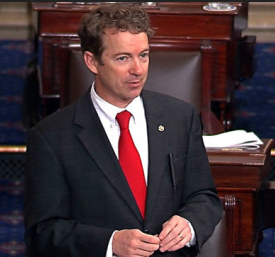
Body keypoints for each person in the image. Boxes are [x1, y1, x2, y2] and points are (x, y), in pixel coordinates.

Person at [24, 3, 223, 257]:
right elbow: (43, 232)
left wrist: (189, 224)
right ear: (92, 62)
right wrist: (110, 243)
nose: (138, 70)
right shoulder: (51, 137)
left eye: (144, 55)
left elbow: (204, 196)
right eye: (123, 58)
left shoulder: (180, 118)